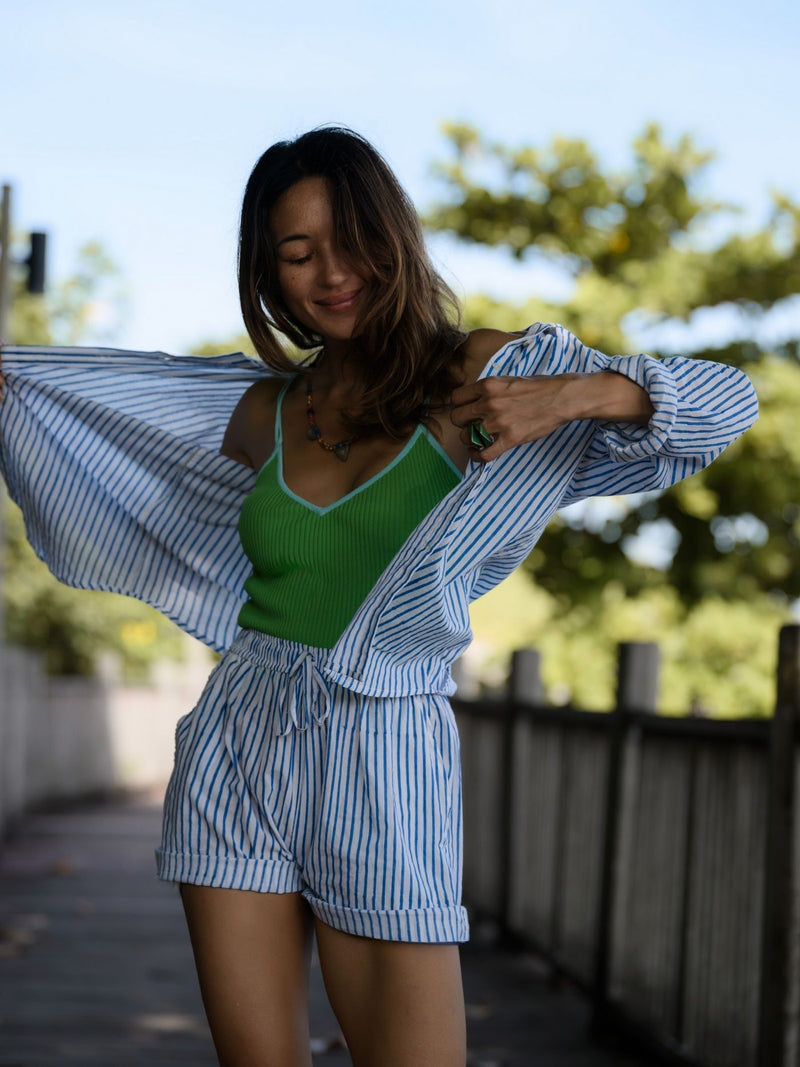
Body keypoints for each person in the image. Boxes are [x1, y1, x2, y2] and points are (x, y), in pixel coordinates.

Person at [0, 127, 758, 1067]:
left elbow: (728, 401)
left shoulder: (480, 373)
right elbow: (107, 399)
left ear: (393, 237)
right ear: (268, 274)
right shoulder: (265, 409)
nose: (330, 273)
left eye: (350, 239)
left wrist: (575, 395)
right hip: (240, 738)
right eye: (296, 252)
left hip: (384, 744)